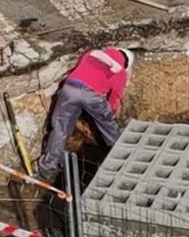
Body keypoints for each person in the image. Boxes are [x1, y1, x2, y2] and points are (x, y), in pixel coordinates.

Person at [35, 47, 133, 179]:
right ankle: (122, 161)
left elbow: (80, 72)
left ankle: (47, 168)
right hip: (92, 95)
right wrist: (111, 114)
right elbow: (114, 98)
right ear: (125, 63)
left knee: (60, 129)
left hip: (69, 89)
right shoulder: (120, 72)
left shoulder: (90, 54)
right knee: (110, 130)